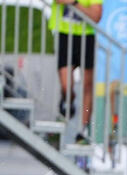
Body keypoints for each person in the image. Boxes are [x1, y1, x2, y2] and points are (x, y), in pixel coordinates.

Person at [49, 0, 103, 129]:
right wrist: (84, 8)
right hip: (64, 34)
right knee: (66, 86)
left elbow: (96, 16)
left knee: (87, 85)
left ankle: (83, 129)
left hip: (86, 36)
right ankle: (68, 99)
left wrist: (74, 3)